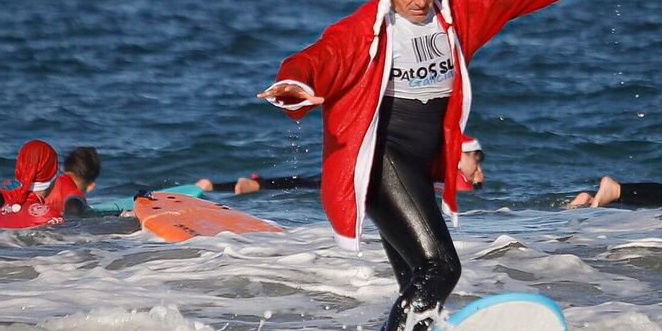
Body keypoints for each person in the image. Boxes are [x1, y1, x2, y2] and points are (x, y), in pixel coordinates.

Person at [257, 0, 639, 331]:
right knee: (441, 269)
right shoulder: (365, 30)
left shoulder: (458, 9)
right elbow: (316, 59)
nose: (422, 1)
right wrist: (291, 85)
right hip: (382, 161)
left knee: (421, 287)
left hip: (419, 165)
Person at [195, 134, 487, 195]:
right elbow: (458, 192)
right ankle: (249, 185)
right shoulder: (452, 174)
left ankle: (216, 186)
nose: (479, 164)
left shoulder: (435, 164)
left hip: (356, 171)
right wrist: (477, 183)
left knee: (304, 181)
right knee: (306, 184)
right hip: (357, 180)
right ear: (462, 155)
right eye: (477, 158)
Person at [44, 146, 102, 217]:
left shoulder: (47, 184)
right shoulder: (74, 196)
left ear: (64, 168)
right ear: (91, 186)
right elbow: (73, 208)